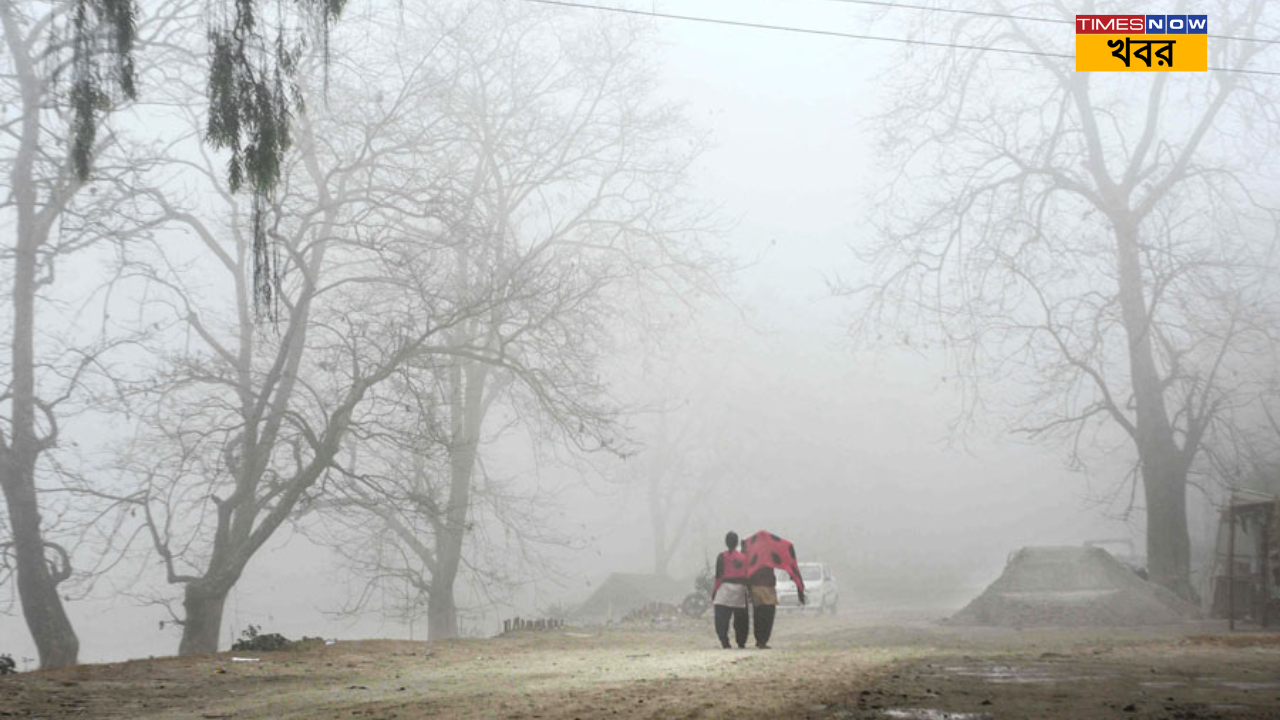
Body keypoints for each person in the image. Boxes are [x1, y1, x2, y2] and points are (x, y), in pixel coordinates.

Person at [742, 530, 805, 649]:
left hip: (756, 587)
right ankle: (762, 640)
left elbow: (745, 568)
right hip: (768, 588)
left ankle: (759, 640)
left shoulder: (753, 552)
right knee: (768, 614)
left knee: (758, 614)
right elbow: (786, 554)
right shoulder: (770, 553)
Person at [711, 531, 750, 649]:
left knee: (722, 618)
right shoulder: (744, 558)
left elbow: (719, 576)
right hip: (740, 589)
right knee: (741, 619)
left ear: (726, 542)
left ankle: (724, 641)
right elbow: (748, 575)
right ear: (736, 542)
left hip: (724, 589)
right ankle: (741, 642)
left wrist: (714, 591)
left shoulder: (721, 556)